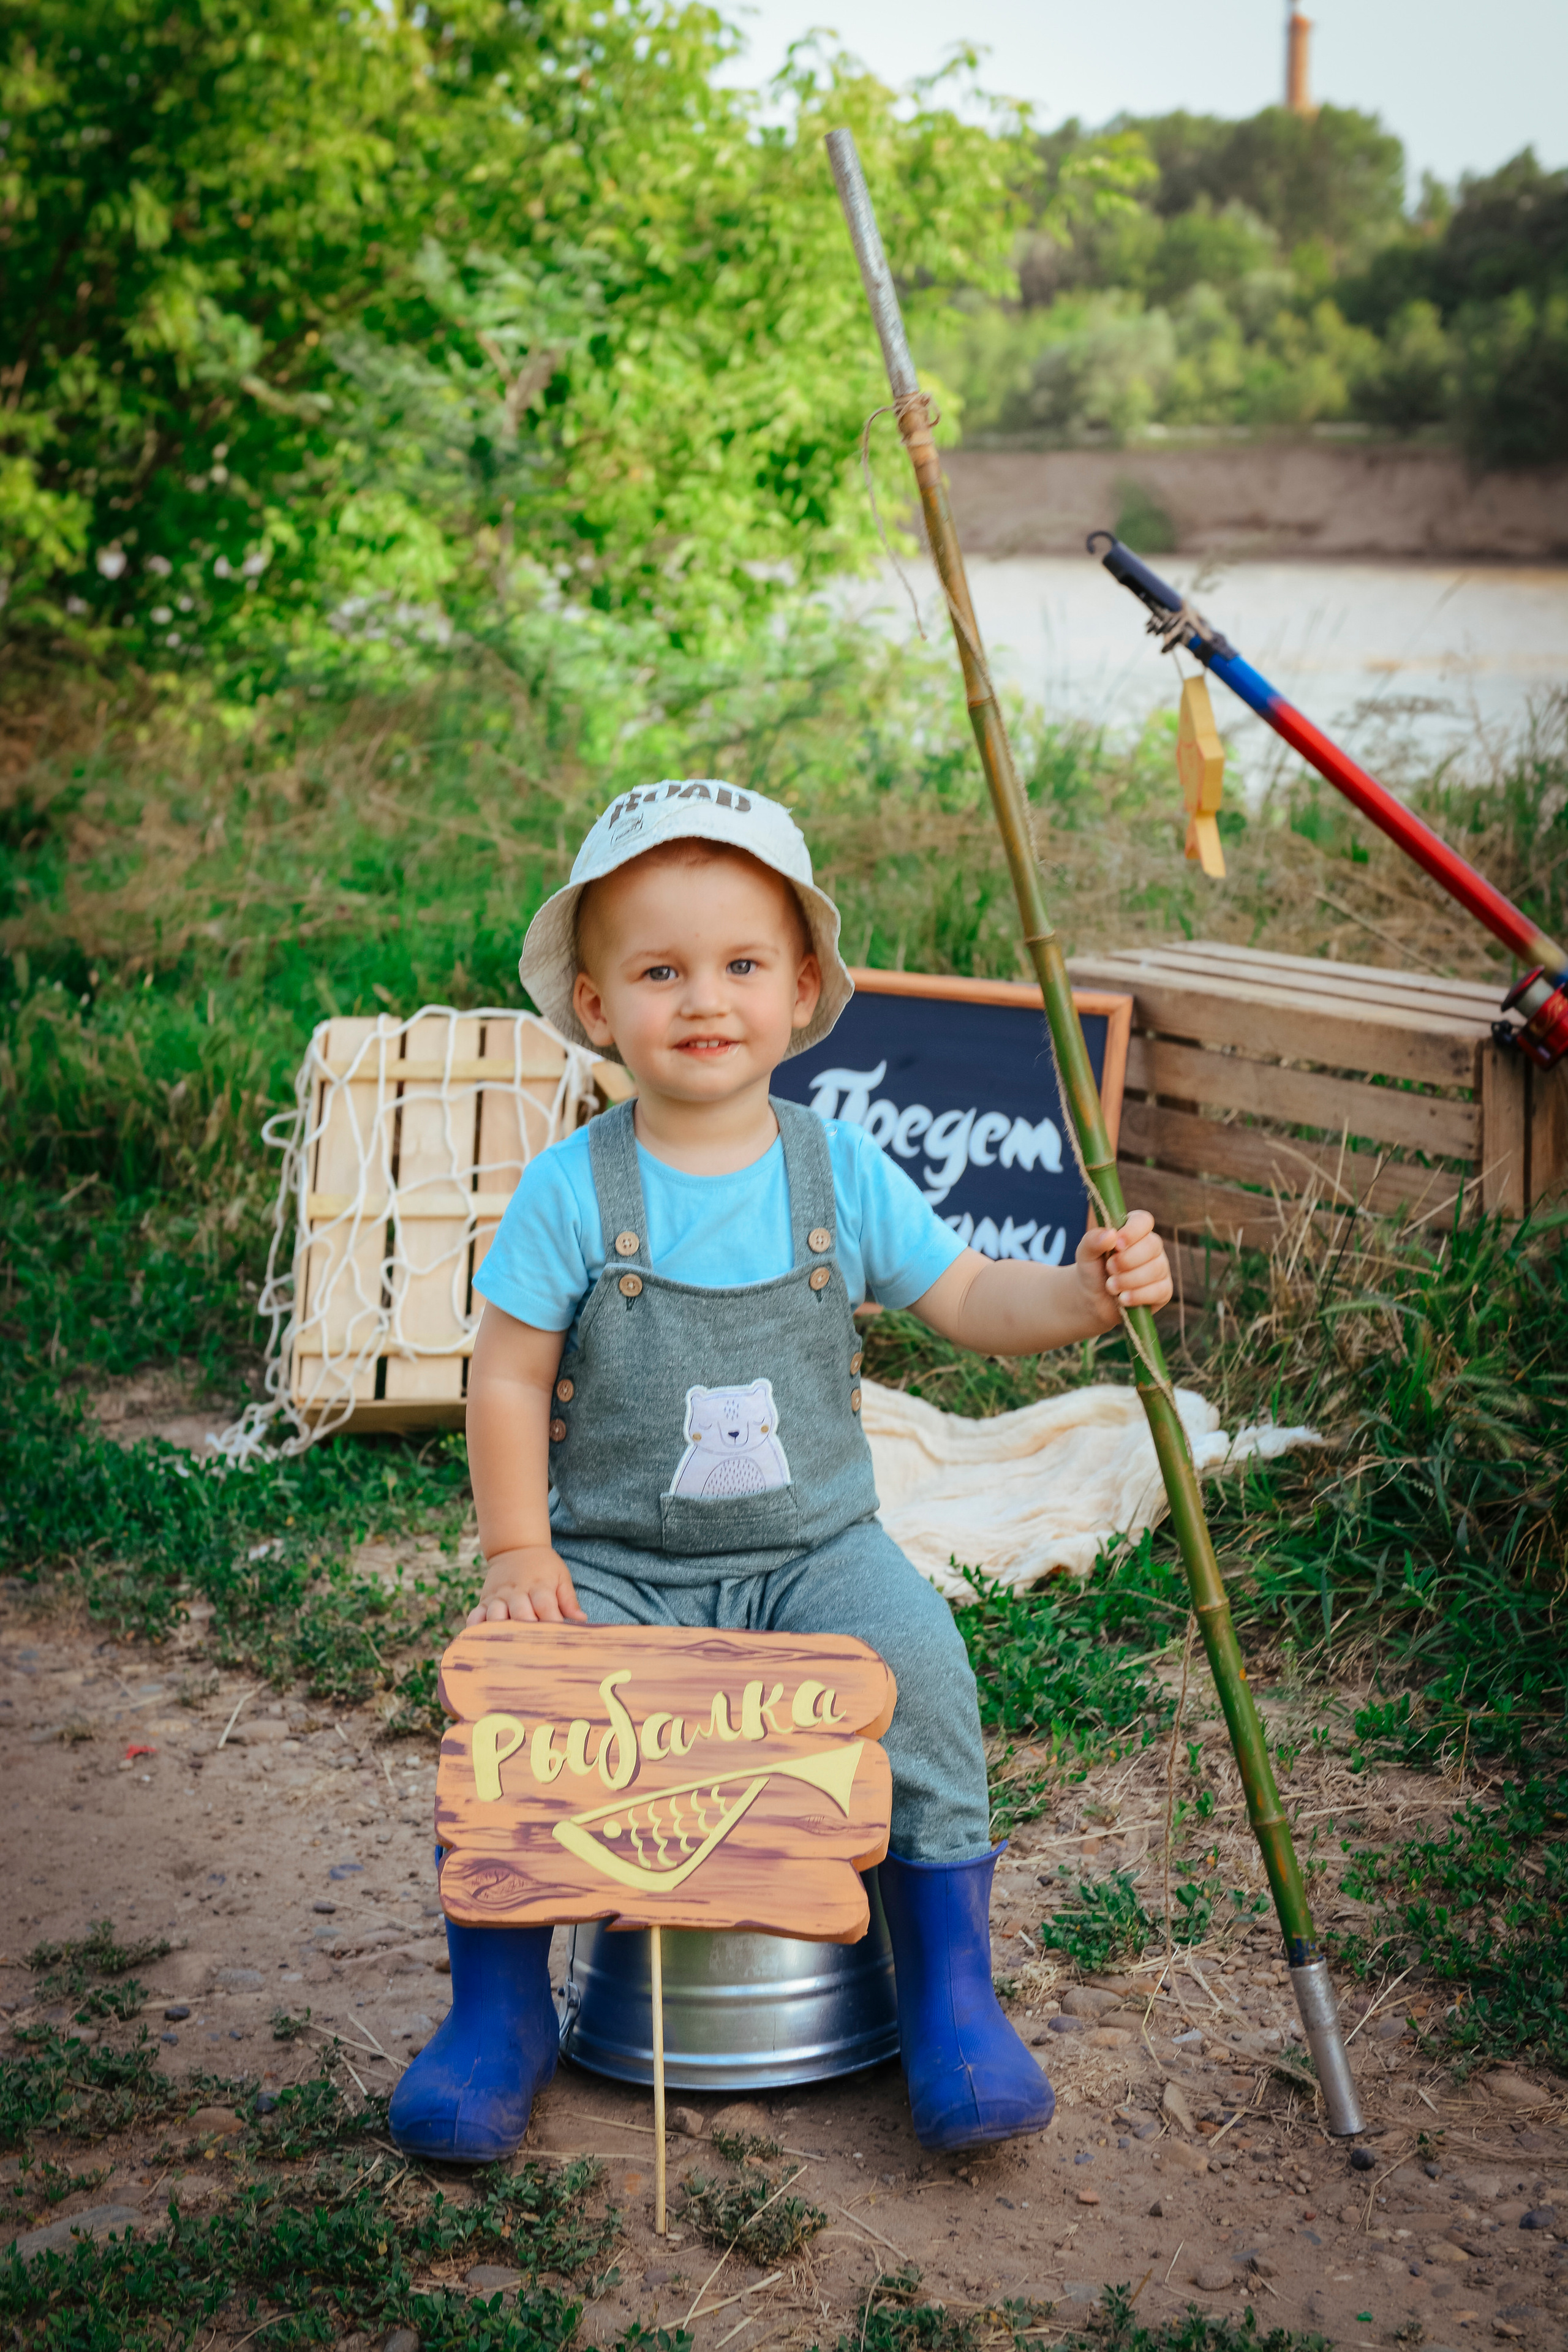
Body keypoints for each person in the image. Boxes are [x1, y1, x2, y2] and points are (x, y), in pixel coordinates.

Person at [389, 782, 1172, 2163]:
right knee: (507, 1718)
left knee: (921, 1673)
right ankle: (498, 2012)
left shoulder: (837, 1169)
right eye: (659, 971)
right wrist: (522, 1555)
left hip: (819, 1549)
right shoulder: (575, 1188)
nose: (705, 1000)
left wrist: (1083, 1296)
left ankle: (946, 1998)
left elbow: (971, 1297)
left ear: (801, 988)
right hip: (620, 1566)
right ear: (592, 1004)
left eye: (742, 965)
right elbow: (505, 1374)